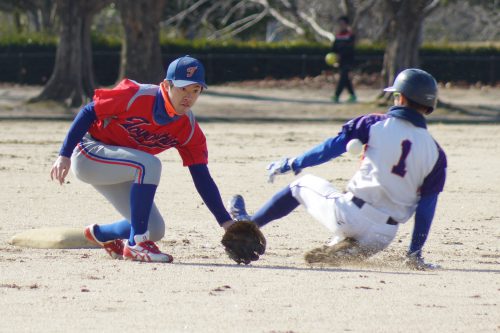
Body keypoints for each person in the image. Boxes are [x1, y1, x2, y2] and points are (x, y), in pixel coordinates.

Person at [229, 69, 447, 270]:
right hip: (383, 236)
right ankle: (342, 248)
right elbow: (426, 210)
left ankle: (249, 224)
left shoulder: (374, 123)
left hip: (349, 215)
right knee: (334, 251)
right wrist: (414, 254)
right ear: (429, 106)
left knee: (300, 185)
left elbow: (329, 149)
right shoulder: (436, 153)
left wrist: (293, 163)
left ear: (400, 98)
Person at [50, 55, 233, 263]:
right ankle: (137, 244)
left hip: (125, 167)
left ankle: (101, 235)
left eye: (195, 90)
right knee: (149, 164)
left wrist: (225, 221)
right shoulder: (136, 95)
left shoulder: (188, 129)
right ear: (166, 85)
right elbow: (89, 111)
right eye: (183, 88)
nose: (188, 96)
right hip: (89, 153)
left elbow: (201, 176)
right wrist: (64, 154)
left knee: (154, 229)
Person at [331, 15, 356, 103]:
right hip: (339, 61)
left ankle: (336, 95)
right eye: (339, 24)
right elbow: (334, 48)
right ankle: (353, 95)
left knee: (343, 78)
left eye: (342, 24)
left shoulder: (350, 35)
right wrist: (334, 58)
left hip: (348, 60)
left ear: (346, 24)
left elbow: (350, 49)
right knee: (345, 79)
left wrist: (341, 55)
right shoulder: (337, 36)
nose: (341, 25)